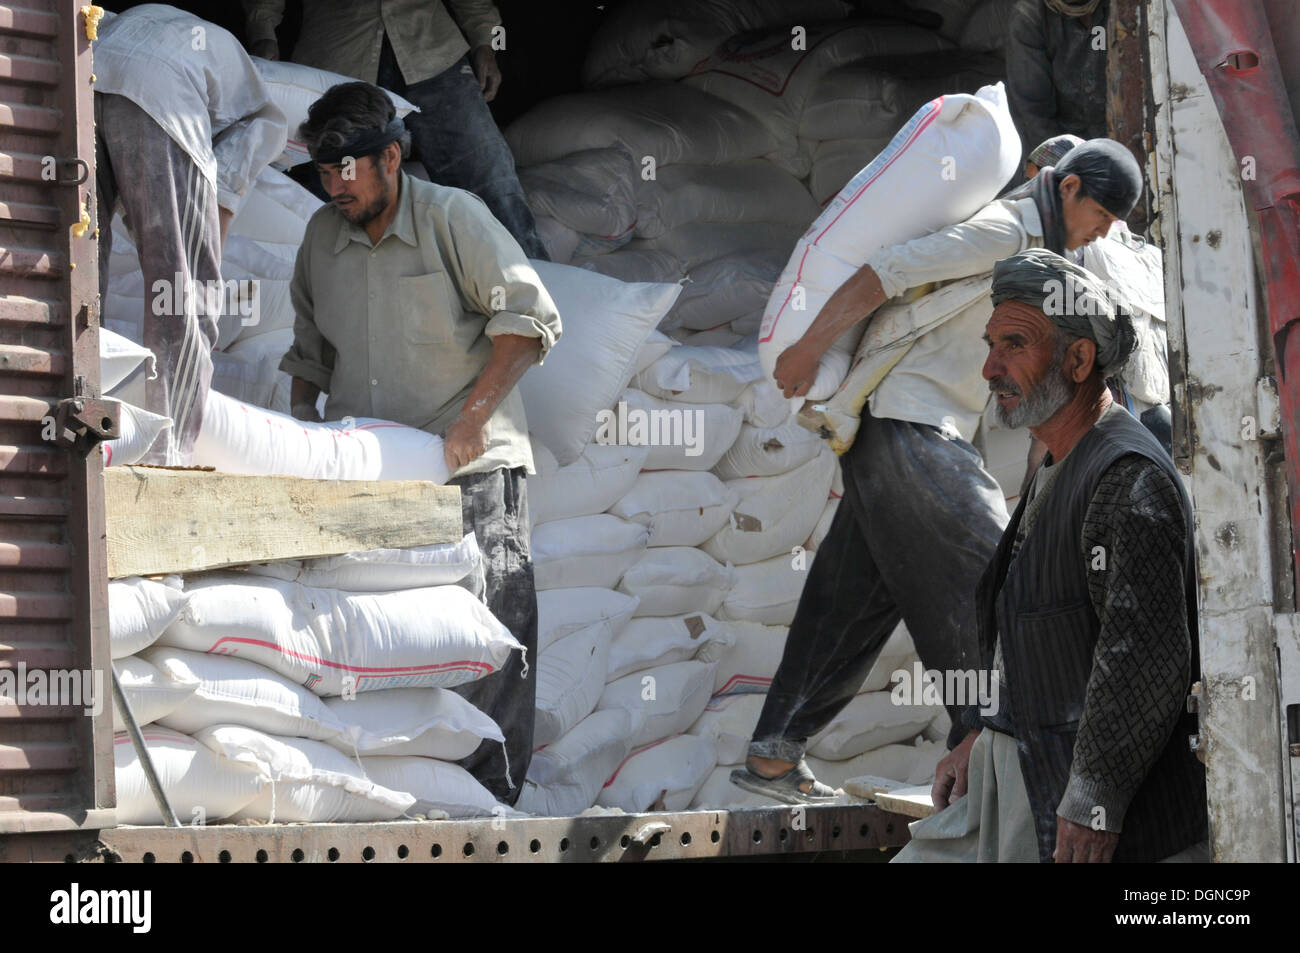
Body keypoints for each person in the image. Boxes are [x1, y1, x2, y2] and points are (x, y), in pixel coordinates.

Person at [729, 139, 1145, 804]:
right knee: (1000, 587)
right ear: (1068, 191)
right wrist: (808, 347)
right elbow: (887, 270)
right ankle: (991, 774)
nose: (1104, 229)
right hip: (909, 429)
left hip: (908, 435)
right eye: (1101, 212)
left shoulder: (1043, 260)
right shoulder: (1007, 230)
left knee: (847, 606)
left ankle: (773, 756)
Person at [279, 82, 561, 803]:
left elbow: (527, 323)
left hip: (471, 467)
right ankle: (405, 796)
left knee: (491, 632)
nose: (335, 185)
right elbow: (310, 358)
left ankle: (491, 801)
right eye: (323, 171)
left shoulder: (452, 219)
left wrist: (472, 418)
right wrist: (298, 443)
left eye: (349, 168)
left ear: (393, 157)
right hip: (374, 476)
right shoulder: (321, 239)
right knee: (385, 641)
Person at [894, 248, 1206, 863]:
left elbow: (1143, 661)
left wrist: (1095, 798)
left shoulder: (1126, 477)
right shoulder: (1057, 462)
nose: (989, 368)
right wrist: (983, 733)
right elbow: (1033, 632)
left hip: (1097, 823)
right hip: (1026, 785)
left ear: (1079, 358)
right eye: (991, 344)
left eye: (1014, 345)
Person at [94, 5, 286, 464]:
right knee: (184, 290)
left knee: (81, 268)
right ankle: (164, 447)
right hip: (162, 90)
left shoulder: (152, 21)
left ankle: (79, 421)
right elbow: (220, 195)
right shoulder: (266, 115)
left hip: (88, 70)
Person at [242, 0, 547, 259]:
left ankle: (535, 292)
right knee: (335, 199)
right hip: (338, 56)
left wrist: (486, 41)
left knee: (491, 180)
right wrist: (263, 34)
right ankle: (337, 305)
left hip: (434, 53)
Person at [1007, 0, 1110, 171]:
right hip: (1067, 144)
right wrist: (1068, 170)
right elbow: (1034, 112)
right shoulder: (1029, 17)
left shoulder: (1123, 7)